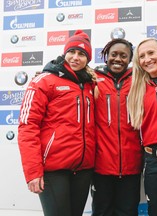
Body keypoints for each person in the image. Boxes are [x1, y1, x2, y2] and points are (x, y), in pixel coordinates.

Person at [18, 30, 96, 216]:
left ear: (88, 59)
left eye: (82, 54)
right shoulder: (43, 81)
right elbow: (27, 127)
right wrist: (33, 172)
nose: (76, 58)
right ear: (64, 53)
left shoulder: (90, 84)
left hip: (83, 169)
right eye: (72, 52)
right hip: (53, 170)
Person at [91, 39, 143, 216]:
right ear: (106, 56)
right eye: (114, 54)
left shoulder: (139, 80)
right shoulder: (93, 79)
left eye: (123, 56)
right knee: (102, 211)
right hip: (101, 166)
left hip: (131, 166)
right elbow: (67, 75)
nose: (118, 59)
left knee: (128, 212)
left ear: (130, 60)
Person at [127, 38, 157, 216]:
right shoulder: (137, 86)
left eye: (151, 53)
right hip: (152, 159)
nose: (147, 59)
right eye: (142, 56)